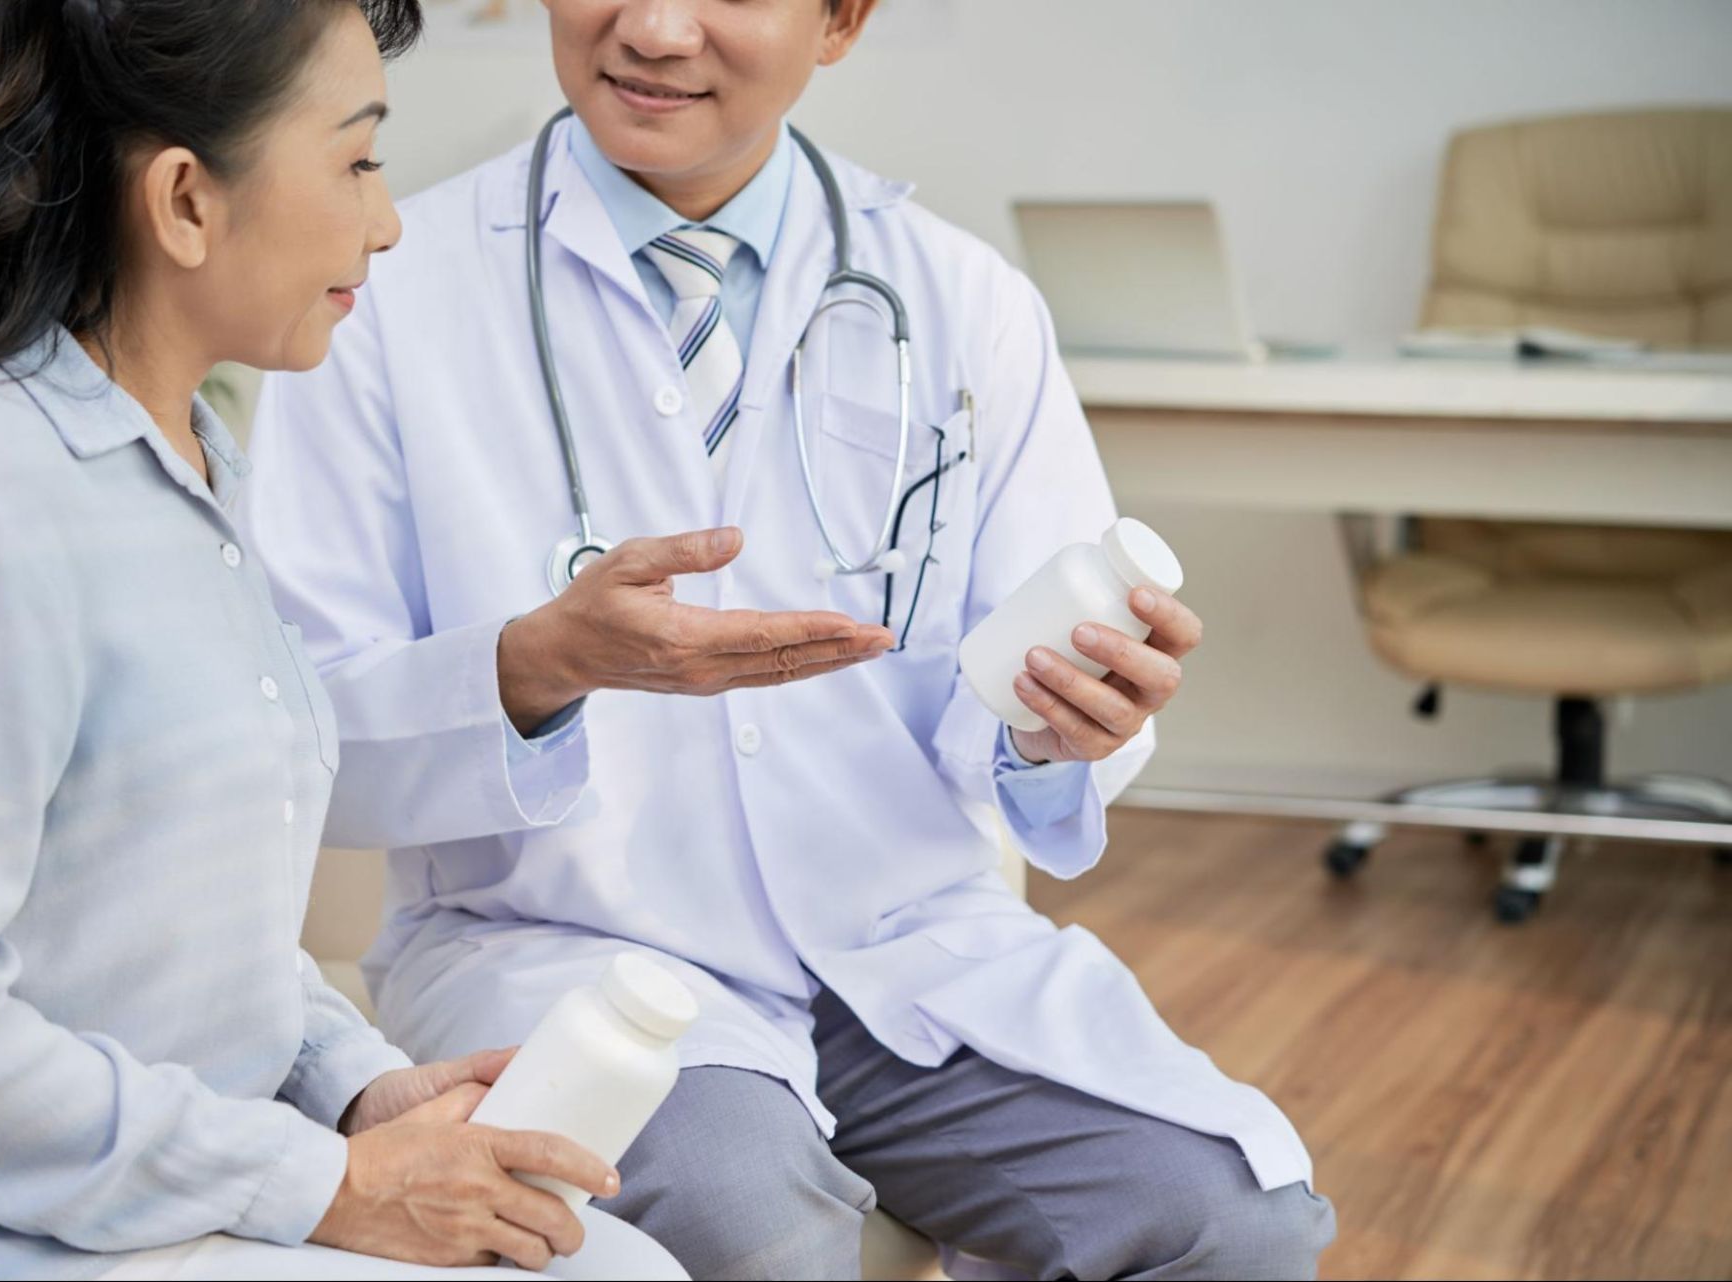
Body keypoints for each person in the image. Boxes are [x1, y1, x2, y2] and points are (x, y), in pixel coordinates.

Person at [241, 0, 1336, 1277]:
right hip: (574, 954)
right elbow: (302, 724)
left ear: (843, 19)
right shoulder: (383, 292)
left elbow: (1024, 690)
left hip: (910, 953)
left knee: (1231, 1222)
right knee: (753, 1224)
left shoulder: (962, 299)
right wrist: (539, 665)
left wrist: (1057, 730)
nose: (656, 28)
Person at [0, 2, 682, 1279]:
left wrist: (359, 1091)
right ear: (185, 202)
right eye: (357, 160)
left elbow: (176, 934)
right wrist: (327, 1185)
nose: (385, 222)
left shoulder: (183, 469)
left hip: (161, 1186)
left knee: (609, 1262)